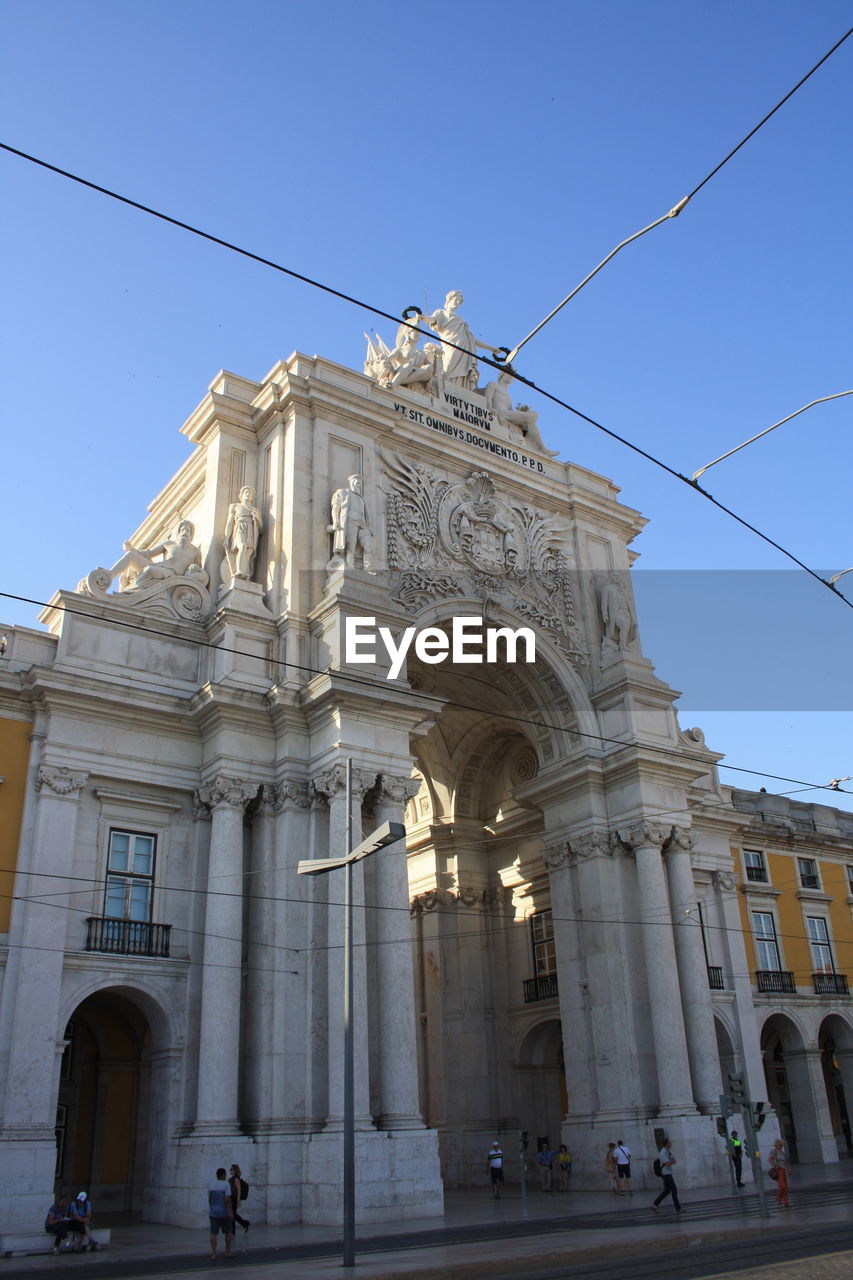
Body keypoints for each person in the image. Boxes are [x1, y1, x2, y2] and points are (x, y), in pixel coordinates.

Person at [416, 291, 502, 390]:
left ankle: (458, 392)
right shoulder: (441, 313)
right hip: (451, 347)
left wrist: (491, 348)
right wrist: (423, 318)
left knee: (461, 375)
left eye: (459, 301)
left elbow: (472, 339)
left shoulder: (460, 321)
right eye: (456, 300)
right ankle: (443, 390)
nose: (457, 303)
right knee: (447, 368)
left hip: (464, 349)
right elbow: (432, 320)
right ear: (449, 299)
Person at [110, 519, 207, 591]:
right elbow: (148, 553)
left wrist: (195, 566)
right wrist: (132, 549)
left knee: (149, 570)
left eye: (187, 530)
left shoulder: (195, 551)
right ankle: (110, 575)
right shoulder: (169, 543)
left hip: (172, 574)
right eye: (182, 530)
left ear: (191, 534)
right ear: (178, 533)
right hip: (159, 567)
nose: (184, 533)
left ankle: (132, 592)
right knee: (131, 555)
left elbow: (199, 568)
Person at [328, 474, 374, 569]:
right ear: (352, 483)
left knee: (368, 545)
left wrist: (369, 528)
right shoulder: (343, 493)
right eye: (357, 483)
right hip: (350, 523)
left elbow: (365, 514)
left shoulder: (361, 499)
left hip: (362, 526)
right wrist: (336, 521)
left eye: (360, 484)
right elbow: (336, 508)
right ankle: (351, 567)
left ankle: (368, 567)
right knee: (350, 549)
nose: (359, 485)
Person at [224, 487, 263, 581]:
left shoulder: (255, 510)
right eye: (246, 492)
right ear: (241, 495)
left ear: (252, 497)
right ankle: (239, 571)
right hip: (239, 528)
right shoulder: (235, 506)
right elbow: (229, 523)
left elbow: (261, 529)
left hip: (251, 530)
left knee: (249, 553)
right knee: (242, 546)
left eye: (250, 493)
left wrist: (257, 518)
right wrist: (226, 538)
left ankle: (245, 575)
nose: (248, 494)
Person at [208, 1166, 234, 1260]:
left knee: (213, 1233)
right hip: (224, 1213)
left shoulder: (211, 1185)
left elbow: (210, 1199)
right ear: (223, 1175)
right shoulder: (226, 1185)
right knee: (228, 1232)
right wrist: (231, 1212)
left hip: (213, 1212)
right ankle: (227, 1251)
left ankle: (214, 1254)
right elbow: (227, 1200)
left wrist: (211, 1208)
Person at [651, 1138, 682, 1213]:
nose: (671, 1144)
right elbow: (668, 1163)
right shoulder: (663, 1153)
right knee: (674, 1189)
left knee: (667, 1191)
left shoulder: (668, 1152)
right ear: (667, 1144)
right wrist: (671, 1162)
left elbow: (674, 1161)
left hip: (668, 1172)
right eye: (670, 1143)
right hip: (665, 1173)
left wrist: (671, 1162)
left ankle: (655, 1204)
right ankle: (678, 1208)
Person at [768, 1137, 791, 1207]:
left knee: (786, 1187)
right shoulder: (773, 1152)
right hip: (778, 1170)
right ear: (776, 1145)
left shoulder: (782, 1153)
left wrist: (788, 1169)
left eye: (781, 1145)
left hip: (783, 1169)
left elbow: (786, 1162)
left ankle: (786, 1202)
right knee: (783, 1186)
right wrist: (774, 1164)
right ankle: (778, 1198)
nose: (781, 1147)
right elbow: (770, 1159)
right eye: (780, 1145)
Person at [229, 1162, 250, 1232]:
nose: (231, 1171)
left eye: (232, 1169)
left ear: (235, 1170)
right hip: (231, 1198)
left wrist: (238, 1200)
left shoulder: (236, 1179)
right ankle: (243, 1224)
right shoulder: (231, 1179)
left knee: (233, 1214)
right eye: (230, 1169)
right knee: (233, 1214)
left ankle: (244, 1224)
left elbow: (239, 1189)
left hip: (234, 1199)